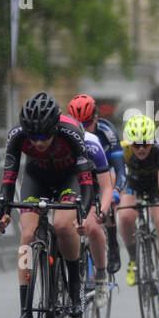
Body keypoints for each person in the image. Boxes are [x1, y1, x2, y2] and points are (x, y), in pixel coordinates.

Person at [0, 92, 95, 318]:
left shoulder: (71, 132)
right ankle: (25, 310)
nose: (37, 142)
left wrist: (82, 216)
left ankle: (74, 288)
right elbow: (9, 177)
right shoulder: (17, 136)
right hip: (36, 179)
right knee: (26, 237)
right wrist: (2, 211)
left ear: (54, 129)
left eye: (44, 136)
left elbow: (86, 181)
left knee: (61, 225)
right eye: (33, 136)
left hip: (68, 180)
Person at [117, 113, 159, 302]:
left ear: (152, 141)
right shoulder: (123, 151)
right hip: (133, 184)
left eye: (145, 144)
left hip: (155, 186)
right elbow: (117, 178)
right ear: (130, 143)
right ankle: (133, 259)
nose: (141, 149)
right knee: (125, 216)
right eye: (136, 144)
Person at [69, 94, 125, 275]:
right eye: (79, 124)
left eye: (86, 124)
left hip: (104, 174)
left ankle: (113, 243)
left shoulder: (107, 132)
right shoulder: (67, 132)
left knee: (107, 202)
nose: (83, 129)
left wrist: (116, 191)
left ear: (96, 118)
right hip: (80, 176)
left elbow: (120, 168)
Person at [63, 104, 114, 292]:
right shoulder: (59, 142)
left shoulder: (92, 143)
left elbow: (107, 186)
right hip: (69, 185)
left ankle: (101, 274)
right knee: (59, 225)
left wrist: (102, 211)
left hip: (92, 186)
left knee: (92, 225)